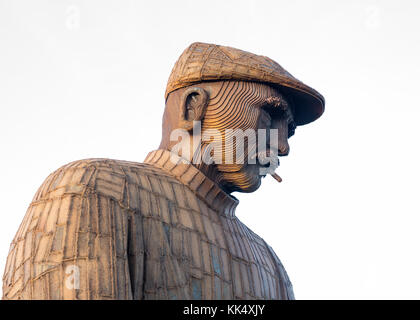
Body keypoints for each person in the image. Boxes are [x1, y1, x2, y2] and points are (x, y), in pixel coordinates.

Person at [2, 42, 324, 299]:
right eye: (269, 116)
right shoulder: (92, 192)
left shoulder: (271, 268)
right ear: (193, 107)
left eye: (289, 131)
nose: (282, 147)